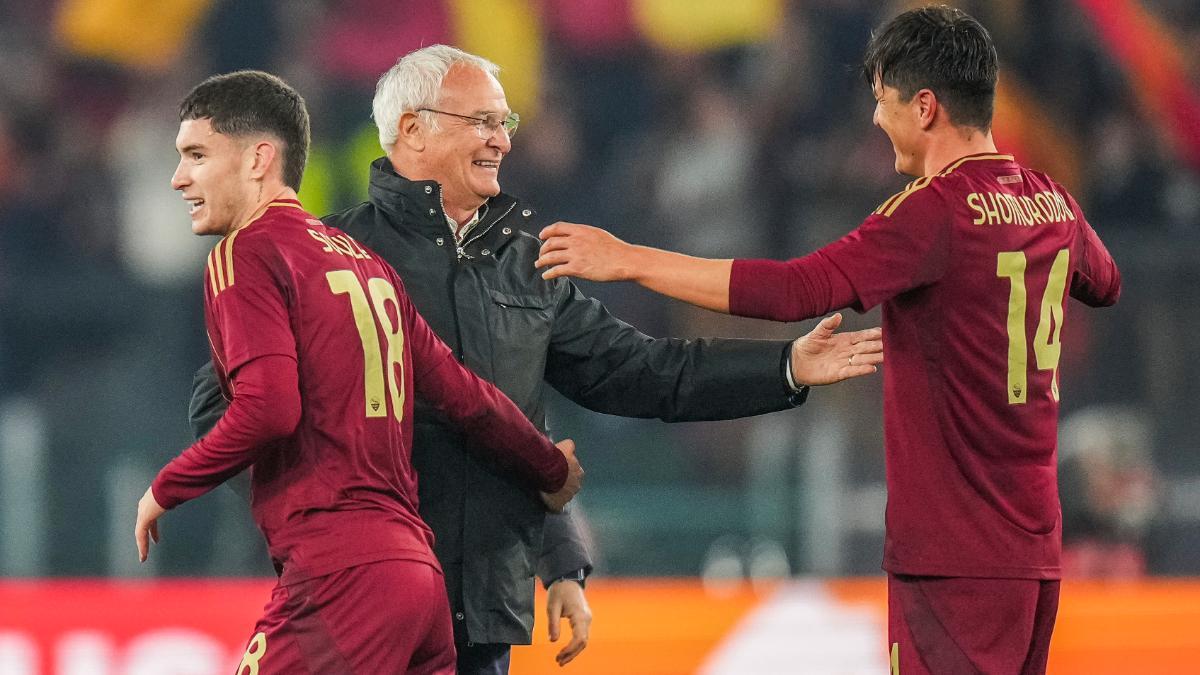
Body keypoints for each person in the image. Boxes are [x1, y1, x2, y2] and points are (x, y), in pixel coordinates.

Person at [190, 45, 883, 675]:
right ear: (412, 130)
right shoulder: (323, 254)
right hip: (353, 608)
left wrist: (785, 366)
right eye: (482, 121)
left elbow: (639, 374)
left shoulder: (526, 266)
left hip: (484, 621)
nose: (503, 137)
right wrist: (319, 519)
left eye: (505, 120)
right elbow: (221, 405)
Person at [534, 6, 1121, 674]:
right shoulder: (1053, 201)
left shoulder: (931, 213)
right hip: (1035, 552)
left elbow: (790, 289)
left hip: (951, 560)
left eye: (884, 101)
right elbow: (1105, 282)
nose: (876, 119)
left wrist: (632, 259)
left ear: (925, 106)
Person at [133, 70, 583, 674]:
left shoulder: (245, 252)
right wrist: (551, 466)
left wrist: (168, 487)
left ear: (259, 159)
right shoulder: (369, 266)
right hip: (419, 581)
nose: (179, 177)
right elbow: (468, 396)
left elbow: (268, 407)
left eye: (196, 155)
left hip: (341, 577)